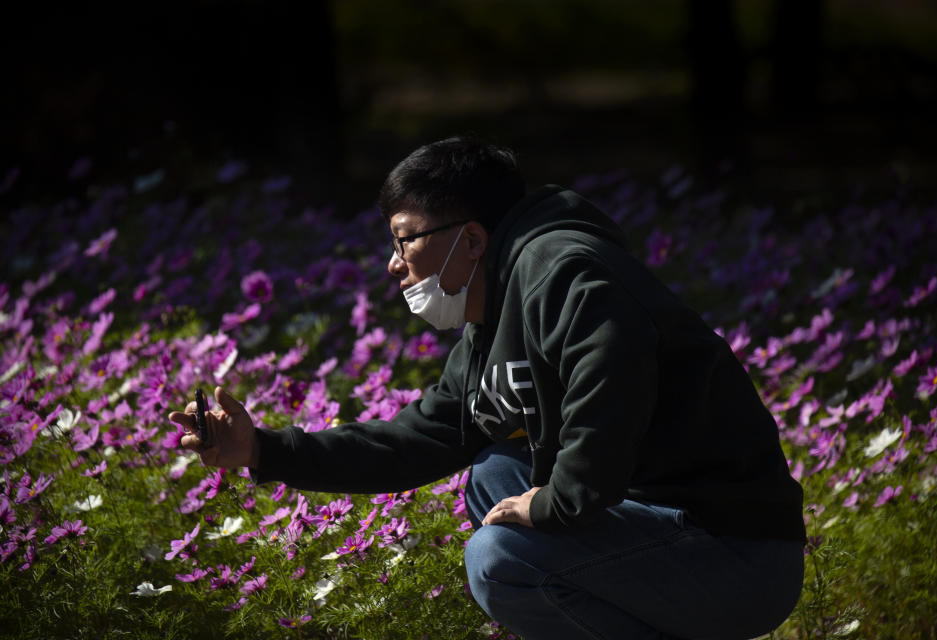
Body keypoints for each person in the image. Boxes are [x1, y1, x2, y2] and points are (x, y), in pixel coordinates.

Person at [170, 136, 806, 639]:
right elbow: (416, 441)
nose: (393, 263)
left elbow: (610, 405)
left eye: (404, 240)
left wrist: (552, 506)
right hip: (657, 530)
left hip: (735, 552)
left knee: (499, 558)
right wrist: (263, 451)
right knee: (493, 474)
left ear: (471, 239)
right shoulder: (493, 312)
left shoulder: (568, 275)